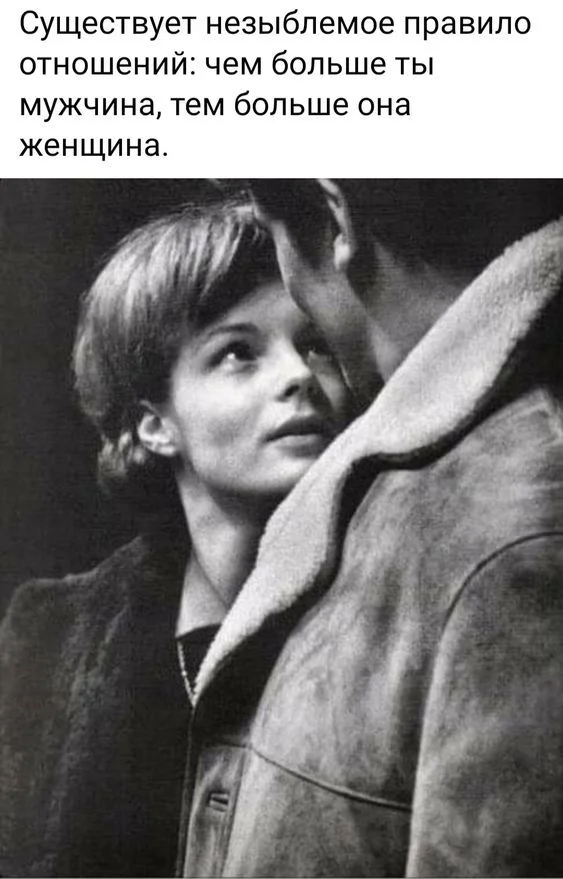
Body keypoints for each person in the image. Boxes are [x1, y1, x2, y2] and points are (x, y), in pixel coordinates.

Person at [168, 180, 563, 877]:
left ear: (334, 219)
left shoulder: (516, 519)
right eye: (235, 352)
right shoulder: (405, 486)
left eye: (274, 231)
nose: (297, 373)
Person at [0, 196, 352, 877]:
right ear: (154, 425)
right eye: (238, 352)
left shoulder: (402, 605)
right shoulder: (48, 639)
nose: (298, 375)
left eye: (315, 344)